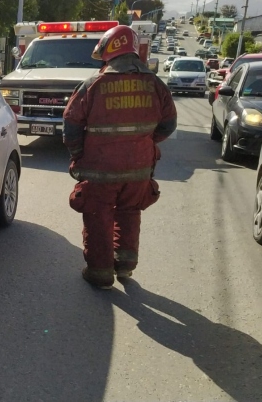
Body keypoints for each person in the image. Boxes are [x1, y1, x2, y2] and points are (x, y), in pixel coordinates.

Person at [62, 25, 177, 289]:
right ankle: (125, 265)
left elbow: (71, 124)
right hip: (139, 169)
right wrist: (143, 143)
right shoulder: (156, 85)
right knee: (129, 212)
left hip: (99, 170)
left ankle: (100, 274)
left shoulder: (94, 85)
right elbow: (168, 125)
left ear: (108, 54)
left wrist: (79, 154)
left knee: (97, 215)